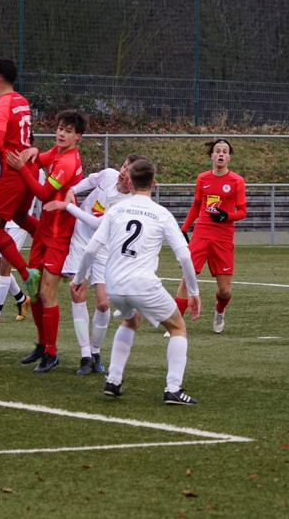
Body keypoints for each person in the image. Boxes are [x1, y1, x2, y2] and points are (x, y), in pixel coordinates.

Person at [73, 158, 201, 405]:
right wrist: (193, 291)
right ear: (154, 183)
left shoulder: (116, 210)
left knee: (131, 320)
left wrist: (79, 278)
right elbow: (185, 256)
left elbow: (91, 249)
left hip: (114, 284)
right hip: (141, 283)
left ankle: (113, 380)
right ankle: (173, 388)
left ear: (130, 184)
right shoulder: (161, 214)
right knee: (177, 327)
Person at [45, 154, 142, 375]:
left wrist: (67, 206)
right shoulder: (108, 175)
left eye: (128, 171)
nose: (122, 172)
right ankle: (85, 356)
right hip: (80, 241)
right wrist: (73, 190)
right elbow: (90, 180)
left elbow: (97, 224)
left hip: (104, 248)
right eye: (123, 166)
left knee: (103, 303)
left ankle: (96, 351)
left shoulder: (127, 203)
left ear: (135, 179)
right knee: (77, 293)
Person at [6, 109, 86, 373]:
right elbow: (39, 159)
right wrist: (33, 151)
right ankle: (42, 344)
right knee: (34, 289)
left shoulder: (67, 163)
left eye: (68, 131)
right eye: (60, 128)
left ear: (78, 137)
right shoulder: (57, 152)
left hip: (59, 237)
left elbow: (42, 192)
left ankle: (51, 353)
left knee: (46, 292)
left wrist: (21, 168)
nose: (61, 133)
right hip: (44, 231)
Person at [174, 138, 247, 333]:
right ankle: (176, 323)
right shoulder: (202, 178)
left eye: (225, 151)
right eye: (218, 151)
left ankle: (219, 310)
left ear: (229, 157)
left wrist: (226, 216)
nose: (221, 154)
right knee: (187, 277)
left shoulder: (237, 181)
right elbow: (197, 205)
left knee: (225, 290)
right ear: (212, 156)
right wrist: (184, 228)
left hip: (223, 237)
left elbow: (242, 212)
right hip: (202, 232)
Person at [0, 58, 40, 309]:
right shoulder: (22, 101)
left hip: (12, 171)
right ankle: (51, 241)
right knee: (19, 216)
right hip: (28, 168)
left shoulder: (1, 104)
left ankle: (28, 275)